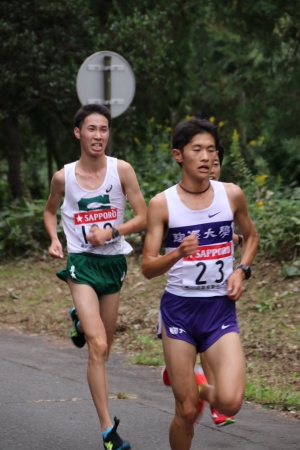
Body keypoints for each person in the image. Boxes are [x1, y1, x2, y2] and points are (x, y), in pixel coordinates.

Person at [142, 118, 259, 450]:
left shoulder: (231, 195)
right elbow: (147, 267)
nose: (206, 156)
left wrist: (242, 270)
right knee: (187, 410)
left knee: (230, 403)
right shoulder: (162, 204)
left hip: (220, 309)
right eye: (198, 149)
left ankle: (197, 381)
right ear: (179, 155)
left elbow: (251, 237)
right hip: (179, 311)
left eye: (211, 149)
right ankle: (191, 390)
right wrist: (177, 252)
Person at [44, 104, 147, 450]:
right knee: (98, 345)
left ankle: (78, 318)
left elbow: (144, 217)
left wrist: (112, 232)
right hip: (82, 264)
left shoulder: (123, 171)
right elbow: (49, 210)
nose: (98, 136)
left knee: (105, 349)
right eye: (91, 129)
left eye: (104, 129)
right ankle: (107, 430)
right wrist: (55, 239)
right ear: (78, 132)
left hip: (113, 264)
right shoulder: (64, 176)